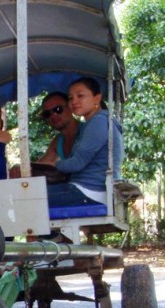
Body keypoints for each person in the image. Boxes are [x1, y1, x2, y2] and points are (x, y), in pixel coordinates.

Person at [39, 77, 124, 210]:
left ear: (97, 98)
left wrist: (53, 165)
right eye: (71, 98)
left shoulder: (99, 122)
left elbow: (77, 163)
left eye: (80, 96)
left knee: (25, 198)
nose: (75, 101)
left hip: (89, 192)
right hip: (87, 190)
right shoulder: (94, 122)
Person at [35, 91, 79, 164]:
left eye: (58, 109)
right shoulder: (58, 141)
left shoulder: (88, 131)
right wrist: (19, 168)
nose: (53, 116)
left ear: (70, 107)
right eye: (47, 114)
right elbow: (42, 165)